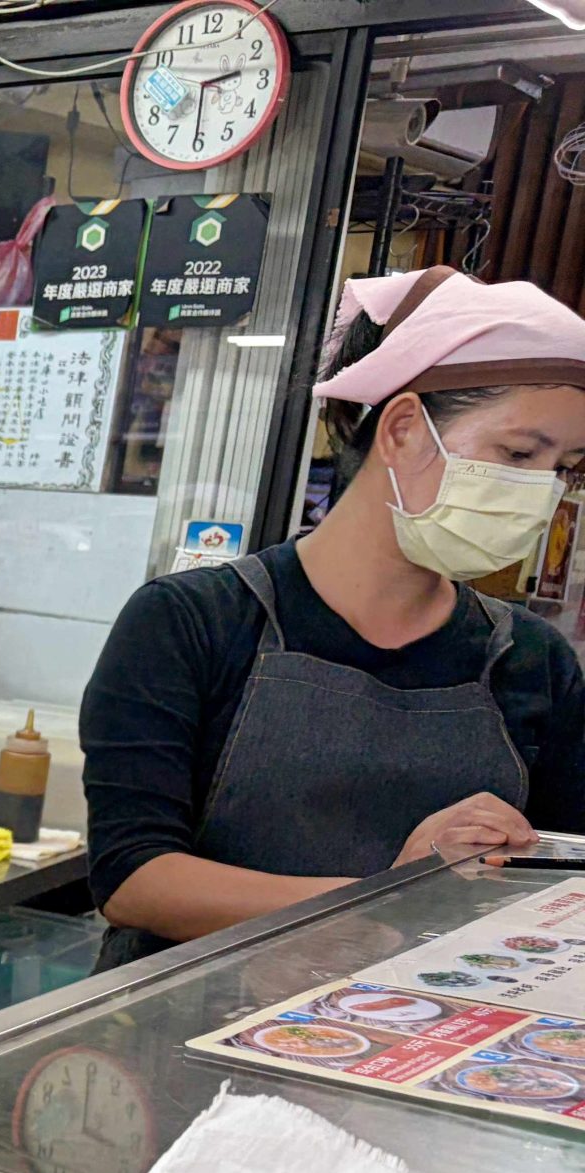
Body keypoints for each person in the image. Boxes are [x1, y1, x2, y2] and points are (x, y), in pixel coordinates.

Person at [84, 267, 585, 968]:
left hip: (424, 1021)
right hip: (186, 1018)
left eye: (566, 468)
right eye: (519, 454)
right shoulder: (194, 621)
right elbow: (134, 880)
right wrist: (391, 895)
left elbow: (560, 877)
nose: (542, 491)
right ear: (403, 430)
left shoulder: (531, 658)